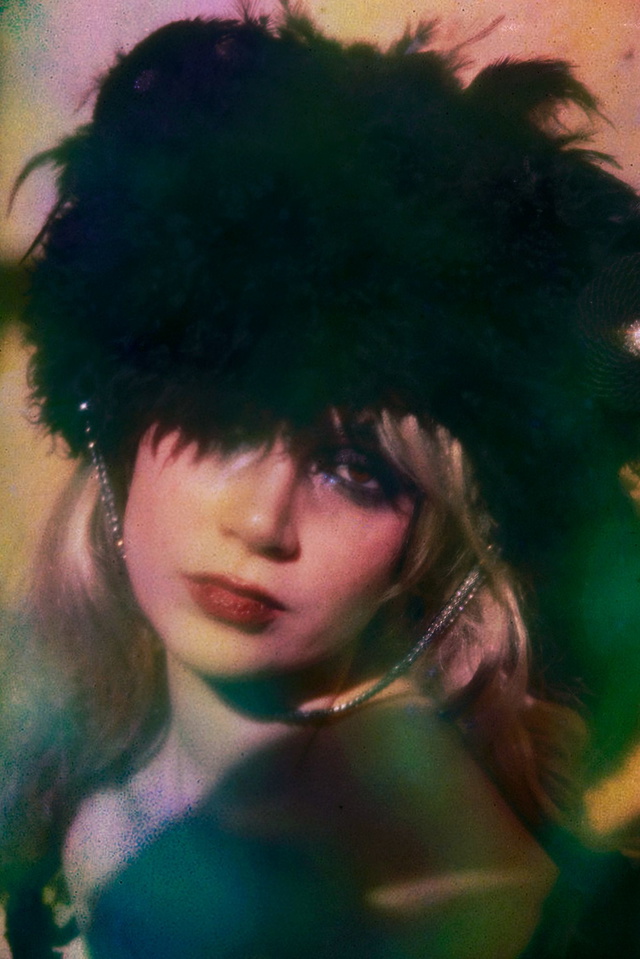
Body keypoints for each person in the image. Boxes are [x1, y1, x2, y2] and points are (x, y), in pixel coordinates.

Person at [2, 8, 640, 958]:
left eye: (356, 471)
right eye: (228, 420)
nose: (263, 520)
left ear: (441, 538)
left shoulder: (451, 900)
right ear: (118, 418)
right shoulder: (54, 765)